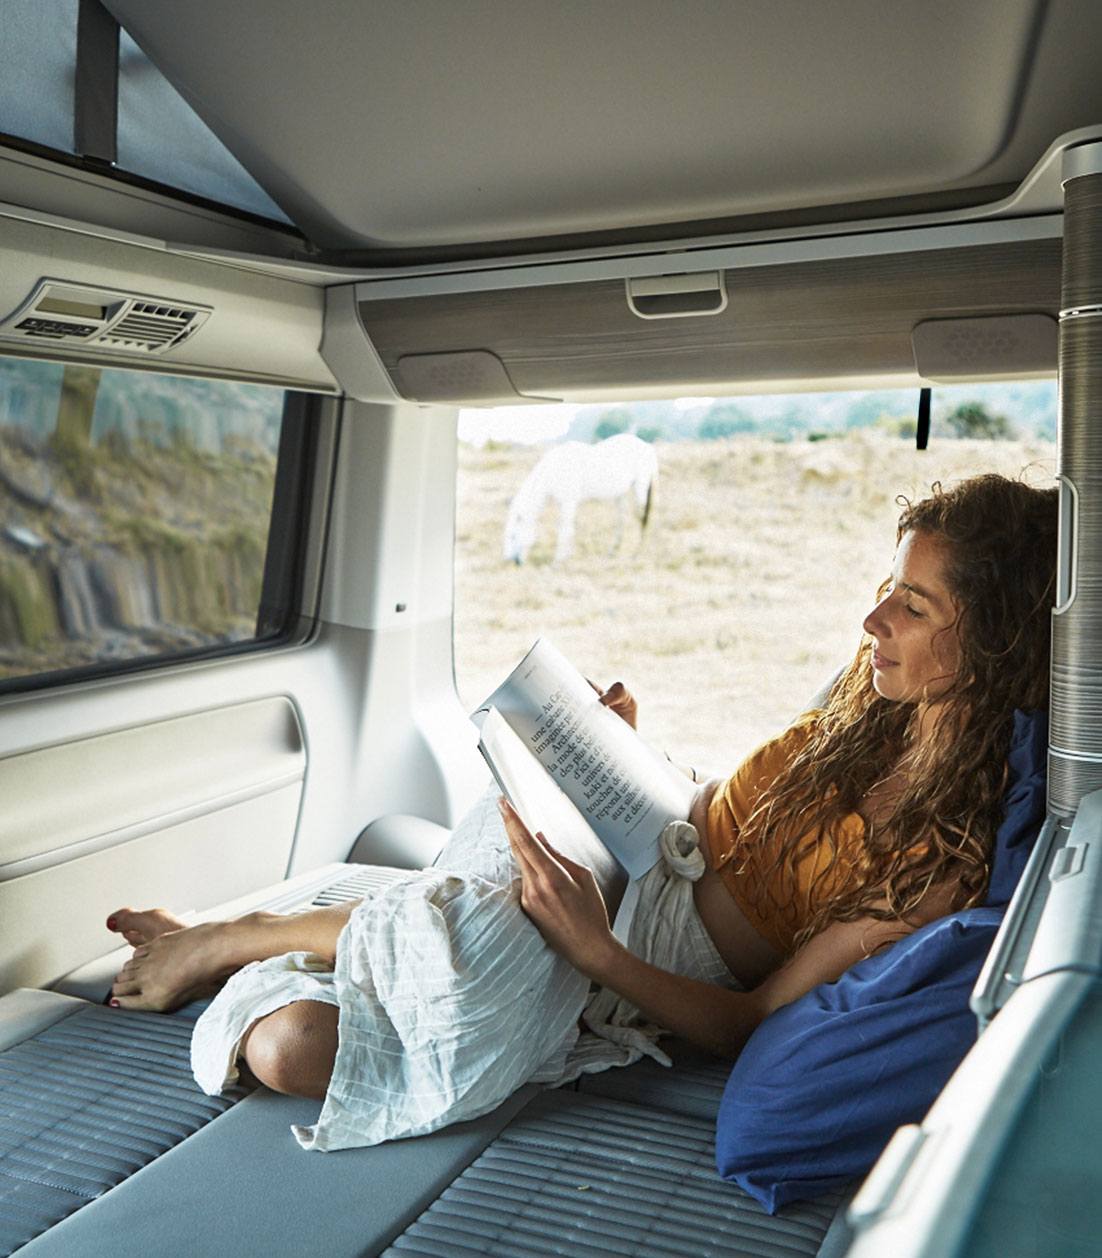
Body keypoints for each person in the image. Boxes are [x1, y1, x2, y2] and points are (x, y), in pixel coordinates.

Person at [105, 473, 1058, 1147]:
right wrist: (621, 751)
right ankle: (245, 936)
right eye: (884, 592)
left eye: (914, 607)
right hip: (648, 823)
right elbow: (721, 809)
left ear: (995, 637)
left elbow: (752, 1020)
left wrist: (597, 950)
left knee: (290, 1048)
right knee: (472, 918)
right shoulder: (874, 699)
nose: (872, 624)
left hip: (640, 946)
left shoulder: (942, 861)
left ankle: (263, 936)